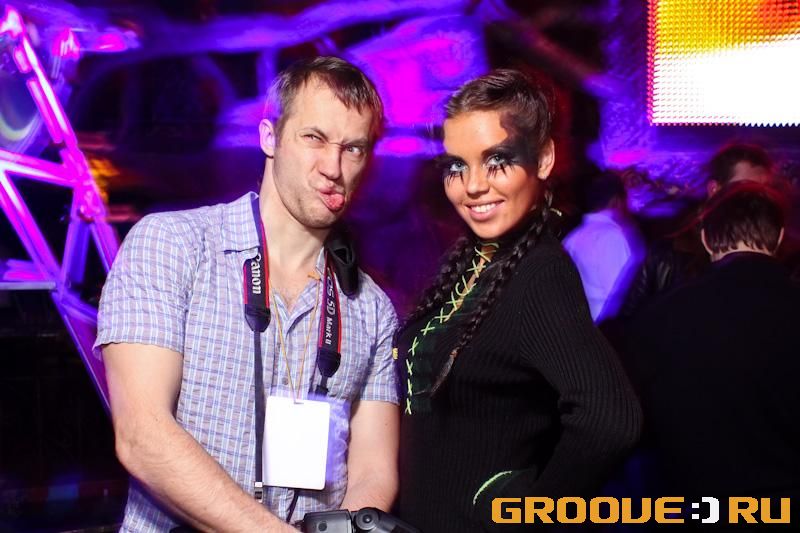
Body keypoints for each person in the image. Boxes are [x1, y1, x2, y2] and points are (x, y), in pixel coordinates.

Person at [95, 57, 399, 532]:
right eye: (314, 138)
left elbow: (373, 471)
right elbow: (142, 436)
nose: (333, 167)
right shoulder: (172, 245)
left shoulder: (372, 308)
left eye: (353, 148)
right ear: (269, 137)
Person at [394, 69, 642, 532]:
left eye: (497, 161)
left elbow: (611, 419)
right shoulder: (474, 259)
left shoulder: (539, 274)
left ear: (543, 159)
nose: (472, 185)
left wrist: (533, 512)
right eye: (456, 166)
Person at [625, 182, 800, 507]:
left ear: (705, 239)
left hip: (696, 503)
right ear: (778, 238)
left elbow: (633, 417)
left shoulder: (663, 314)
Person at [621, 142, 775, 319]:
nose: (757, 202)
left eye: (764, 192)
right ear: (714, 190)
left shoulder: (782, 257)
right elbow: (629, 324)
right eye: (744, 191)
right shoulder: (669, 254)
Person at [563, 170, 645, 323]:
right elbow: (622, 298)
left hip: (579, 326)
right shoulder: (612, 236)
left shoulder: (572, 237)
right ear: (617, 201)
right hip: (604, 331)